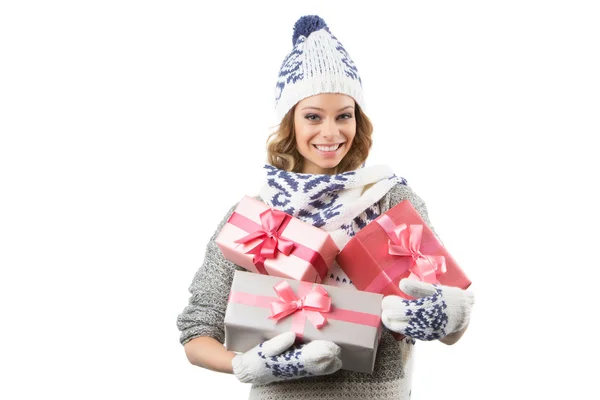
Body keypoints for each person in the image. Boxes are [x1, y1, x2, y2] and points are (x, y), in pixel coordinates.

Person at [177, 15, 475, 400]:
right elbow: (197, 333)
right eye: (313, 116)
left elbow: (449, 329)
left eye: (344, 115)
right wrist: (246, 364)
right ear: (290, 122)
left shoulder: (391, 200)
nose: (331, 133)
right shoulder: (256, 218)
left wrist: (453, 314)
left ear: (358, 119)